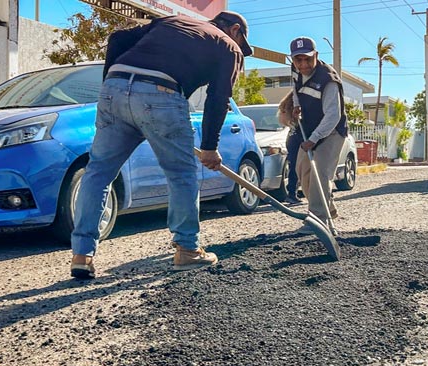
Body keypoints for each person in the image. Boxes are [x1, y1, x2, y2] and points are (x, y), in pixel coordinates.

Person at [69, 11, 253, 279]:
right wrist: (211, 147)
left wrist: (111, 82)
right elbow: (218, 97)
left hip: (115, 89)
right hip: (162, 93)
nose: (241, 49)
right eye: (241, 42)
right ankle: (187, 249)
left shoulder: (173, 21)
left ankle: (82, 255)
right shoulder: (228, 46)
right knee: (181, 175)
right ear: (235, 29)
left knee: (98, 173)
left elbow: (118, 37)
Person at [288, 37, 348, 232]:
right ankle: (327, 209)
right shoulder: (295, 71)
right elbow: (295, 89)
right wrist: (296, 105)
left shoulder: (328, 79)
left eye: (308, 59)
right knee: (302, 171)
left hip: (331, 132)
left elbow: (333, 115)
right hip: (310, 128)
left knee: (319, 174)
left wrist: (314, 139)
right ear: (293, 60)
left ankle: (318, 220)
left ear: (316, 56)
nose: (303, 65)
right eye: (299, 60)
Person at [277, 90, 302, 205]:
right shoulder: (299, 104)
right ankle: (293, 193)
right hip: (301, 137)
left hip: (291, 137)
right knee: (301, 166)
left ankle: (292, 193)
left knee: (294, 166)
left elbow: (283, 121)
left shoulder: (285, 105)